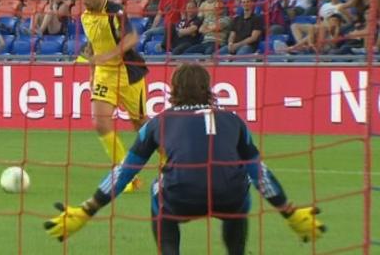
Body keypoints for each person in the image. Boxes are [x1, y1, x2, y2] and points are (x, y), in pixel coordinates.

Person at [44, 63, 326, 254]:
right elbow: (258, 172)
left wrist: (87, 209)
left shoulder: (158, 123)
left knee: (157, 187)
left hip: (180, 199)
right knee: (241, 180)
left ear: (173, 91)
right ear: (209, 89)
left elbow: (126, 171)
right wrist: (289, 211)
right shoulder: (233, 120)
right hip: (228, 197)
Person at [80, 0, 148, 193]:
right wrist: (92, 72)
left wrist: (107, 56)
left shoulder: (115, 11)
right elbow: (93, 45)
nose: (84, 0)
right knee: (100, 123)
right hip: (104, 76)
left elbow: (132, 39)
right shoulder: (85, 17)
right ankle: (126, 175)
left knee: (142, 126)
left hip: (127, 73)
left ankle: (170, 161)